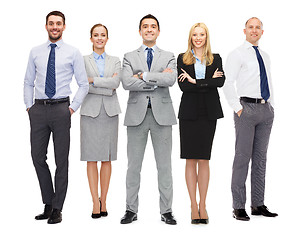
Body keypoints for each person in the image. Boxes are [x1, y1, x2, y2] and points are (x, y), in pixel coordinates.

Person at [24, 11, 89, 224]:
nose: (55, 27)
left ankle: (57, 208)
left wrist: (72, 109)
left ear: (64, 26)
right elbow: (28, 81)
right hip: (39, 110)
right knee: (37, 157)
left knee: (61, 161)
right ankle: (48, 202)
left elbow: (83, 84)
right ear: (46, 26)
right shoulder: (35, 52)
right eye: (51, 23)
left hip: (62, 108)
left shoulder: (73, 52)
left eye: (58, 23)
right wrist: (29, 107)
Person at [120, 14, 177, 225]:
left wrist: (142, 76)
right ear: (140, 31)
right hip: (136, 117)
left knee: (164, 166)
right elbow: (126, 83)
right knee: (133, 166)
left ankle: (167, 210)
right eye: (145, 27)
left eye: (153, 27)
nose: (149, 30)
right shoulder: (128, 55)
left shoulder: (170, 55)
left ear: (158, 31)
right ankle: (130, 209)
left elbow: (170, 79)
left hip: (162, 116)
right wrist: (156, 78)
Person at [223, 17, 278, 221]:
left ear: (262, 32)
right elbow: (227, 82)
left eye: (258, 28)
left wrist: (272, 106)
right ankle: (238, 206)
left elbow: (269, 80)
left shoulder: (265, 55)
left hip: (265, 110)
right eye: (251, 27)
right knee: (242, 158)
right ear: (244, 30)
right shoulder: (237, 54)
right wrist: (238, 108)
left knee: (261, 159)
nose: (254, 30)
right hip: (245, 108)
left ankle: (257, 204)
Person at [177, 23, 225, 224]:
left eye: (202, 34)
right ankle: (192, 205)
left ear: (207, 37)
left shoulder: (216, 58)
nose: (198, 38)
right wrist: (206, 81)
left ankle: (203, 204)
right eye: (195, 35)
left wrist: (195, 81)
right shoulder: (182, 58)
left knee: (204, 159)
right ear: (191, 37)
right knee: (190, 159)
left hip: (208, 113)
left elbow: (220, 82)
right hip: (188, 113)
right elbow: (182, 86)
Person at [80, 24, 121, 218]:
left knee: (107, 157)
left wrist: (93, 80)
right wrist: (106, 84)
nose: (99, 38)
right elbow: (83, 85)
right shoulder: (82, 60)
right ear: (91, 38)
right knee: (91, 157)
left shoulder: (115, 60)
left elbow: (116, 84)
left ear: (107, 38)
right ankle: (93, 201)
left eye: (102, 35)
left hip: (110, 112)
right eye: (96, 35)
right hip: (89, 112)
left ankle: (104, 201)